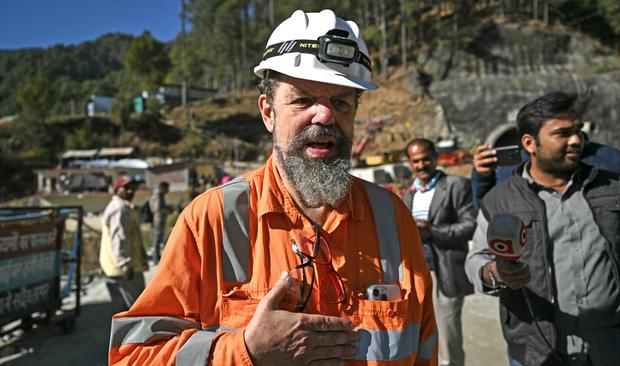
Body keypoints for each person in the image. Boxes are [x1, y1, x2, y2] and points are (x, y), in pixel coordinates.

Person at [108, 9, 437, 366]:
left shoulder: (392, 218)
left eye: (341, 102)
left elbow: (424, 347)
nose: (324, 116)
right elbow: (133, 357)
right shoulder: (211, 220)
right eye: (302, 99)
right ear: (268, 112)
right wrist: (244, 351)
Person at [464, 91, 620, 365]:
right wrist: (496, 273)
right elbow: (477, 258)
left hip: (613, 347)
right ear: (530, 143)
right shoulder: (500, 199)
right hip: (538, 351)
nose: (576, 140)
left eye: (577, 130)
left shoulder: (614, 186)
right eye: (562, 133)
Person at [401, 138, 476, 366]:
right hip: (417, 276)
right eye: (416, 161)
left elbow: (470, 225)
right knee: (423, 336)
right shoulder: (409, 193)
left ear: (435, 158)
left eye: (426, 159)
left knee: (449, 339)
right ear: (410, 163)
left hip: (446, 272)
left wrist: (432, 231)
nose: (421, 165)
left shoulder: (456, 185)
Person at [471, 124, 620, 219]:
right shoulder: (510, 172)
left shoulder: (614, 161)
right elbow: (488, 218)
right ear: (529, 140)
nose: (573, 140)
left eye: (575, 129)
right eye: (560, 133)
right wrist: (482, 177)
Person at [100, 175, 149, 313]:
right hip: (124, 270)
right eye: (126, 188)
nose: (130, 191)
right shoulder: (120, 209)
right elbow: (119, 238)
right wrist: (125, 265)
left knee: (122, 314)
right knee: (138, 312)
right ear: (117, 190)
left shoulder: (120, 207)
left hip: (115, 268)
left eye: (132, 188)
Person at [149, 181, 171, 264]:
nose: (167, 191)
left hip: (158, 219)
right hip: (159, 219)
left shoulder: (157, 195)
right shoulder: (158, 196)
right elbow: (158, 208)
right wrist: (167, 209)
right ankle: (156, 258)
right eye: (167, 188)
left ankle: (157, 256)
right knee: (157, 239)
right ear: (163, 188)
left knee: (158, 239)